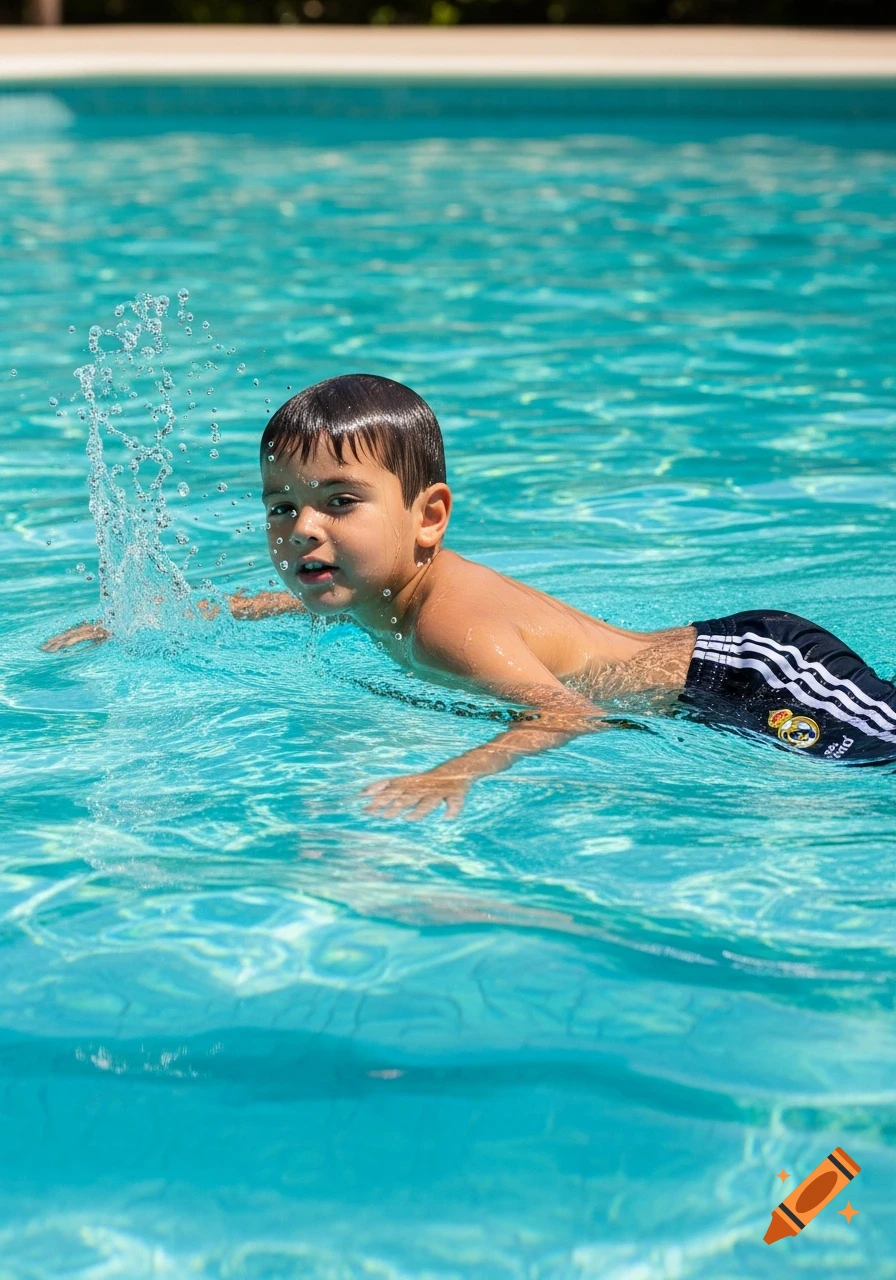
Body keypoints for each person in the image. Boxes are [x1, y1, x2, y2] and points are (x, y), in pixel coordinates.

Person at [44, 373, 896, 818]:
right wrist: (149, 620)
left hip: (754, 672)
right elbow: (263, 605)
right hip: (715, 689)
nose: (302, 530)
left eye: (340, 503)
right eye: (281, 507)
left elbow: (568, 715)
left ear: (428, 518)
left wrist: (454, 772)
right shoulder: (361, 591)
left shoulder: (447, 623)